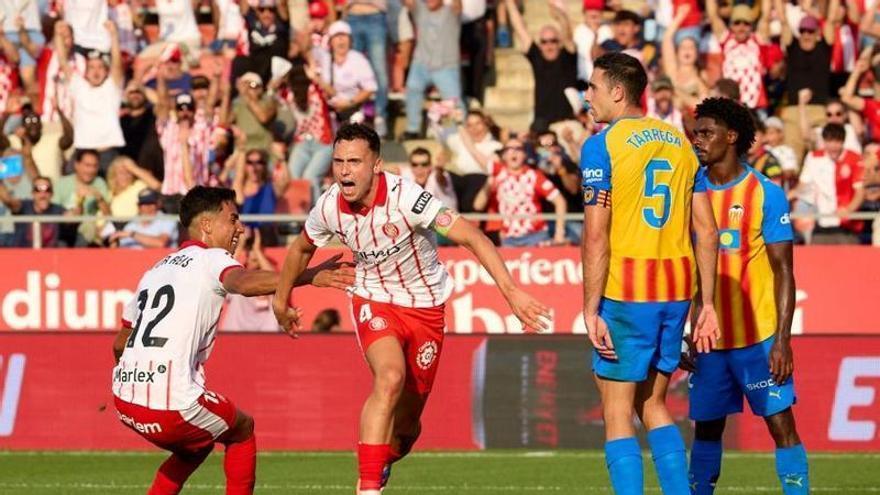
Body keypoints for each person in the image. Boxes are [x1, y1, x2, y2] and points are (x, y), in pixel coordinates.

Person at [272, 123, 550, 495]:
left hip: (425, 306)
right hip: (373, 297)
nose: (344, 170)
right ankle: (368, 487)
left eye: (354, 161)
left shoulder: (409, 199)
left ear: (377, 166)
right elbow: (301, 249)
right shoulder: (328, 206)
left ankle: (386, 456)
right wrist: (280, 299)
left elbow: (472, 235)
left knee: (406, 427)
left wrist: (511, 292)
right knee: (389, 378)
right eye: (338, 161)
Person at [111, 185, 353, 495]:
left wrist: (138, 378)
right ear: (207, 225)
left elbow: (120, 344)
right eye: (233, 218)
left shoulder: (153, 272)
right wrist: (309, 276)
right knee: (242, 430)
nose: (240, 227)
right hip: (172, 405)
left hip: (125, 400)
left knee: (195, 447)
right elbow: (243, 282)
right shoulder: (211, 259)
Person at [579, 52, 719, 494]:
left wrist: (589, 307)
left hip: (627, 291)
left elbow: (596, 235)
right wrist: (708, 304)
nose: (588, 97)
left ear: (617, 93)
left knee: (617, 411)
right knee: (654, 403)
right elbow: (708, 232)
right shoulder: (681, 143)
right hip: (675, 290)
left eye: (593, 87)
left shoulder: (602, 144)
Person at [686, 96, 809, 495]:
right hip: (709, 341)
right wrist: (684, 330)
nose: (697, 141)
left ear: (732, 136)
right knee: (706, 429)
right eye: (695, 134)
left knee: (781, 425)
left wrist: (782, 341)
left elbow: (784, 271)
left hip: (757, 340)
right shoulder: (689, 192)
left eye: (706, 133)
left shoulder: (764, 193)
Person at [107, 189, 179, 249]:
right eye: (144, 204)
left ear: (158, 204)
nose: (148, 207)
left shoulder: (167, 220)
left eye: (151, 203)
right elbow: (122, 249)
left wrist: (132, 234)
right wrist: (114, 243)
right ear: (138, 207)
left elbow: (160, 243)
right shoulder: (131, 225)